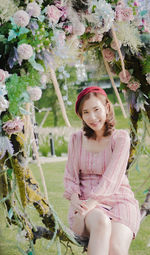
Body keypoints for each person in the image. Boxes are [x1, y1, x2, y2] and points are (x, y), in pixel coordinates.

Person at [64, 86, 141, 255]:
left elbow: (112, 178)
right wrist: (76, 199)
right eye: (86, 112)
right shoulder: (76, 139)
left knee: (116, 249)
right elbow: (70, 176)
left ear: (107, 107)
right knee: (101, 222)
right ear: (81, 115)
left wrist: (90, 203)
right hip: (86, 201)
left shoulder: (120, 138)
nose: (92, 117)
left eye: (96, 109)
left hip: (120, 200)